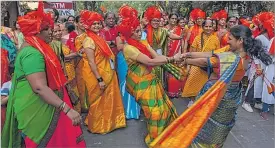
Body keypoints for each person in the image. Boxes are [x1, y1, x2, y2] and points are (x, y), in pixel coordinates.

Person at [150, 25, 272, 148]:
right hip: (230, 96)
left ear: (240, 40)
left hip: (220, 97)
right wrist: (188, 54)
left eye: (230, 39)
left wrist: (186, 60)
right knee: (218, 127)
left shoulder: (233, 58)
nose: (227, 41)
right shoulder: (237, 53)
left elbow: (207, 61)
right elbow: (210, 53)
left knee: (206, 125)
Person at [1, 3, 86, 147]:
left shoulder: (34, 48)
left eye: (50, 27)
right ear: (35, 31)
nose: (51, 31)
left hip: (45, 104)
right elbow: (39, 87)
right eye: (45, 29)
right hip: (39, 108)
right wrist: (67, 109)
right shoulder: (32, 53)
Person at [117, 14, 182, 146]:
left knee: (163, 109)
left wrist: (170, 60)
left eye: (139, 29)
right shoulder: (129, 48)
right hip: (140, 84)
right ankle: (155, 140)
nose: (140, 33)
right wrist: (172, 59)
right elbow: (149, 62)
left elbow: (155, 56)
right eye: (136, 31)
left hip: (150, 79)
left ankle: (164, 134)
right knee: (154, 113)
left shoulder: (142, 42)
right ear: (129, 34)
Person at [79, 10, 126, 134]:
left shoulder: (98, 38)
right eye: (93, 24)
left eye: (98, 23)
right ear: (88, 25)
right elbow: (91, 62)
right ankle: (98, 125)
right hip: (97, 75)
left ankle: (110, 122)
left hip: (108, 72)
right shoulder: (89, 40)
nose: (96, 26)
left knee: (108, 99)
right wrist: (99, 79)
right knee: (98, 101)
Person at [182, 19, 220, 107]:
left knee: (205, 84)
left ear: (213, 27)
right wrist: (189, 65)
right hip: (196, 63)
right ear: (203, 27)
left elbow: (217, 53)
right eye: (206, 26)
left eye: (210, 26)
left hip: (208, 64)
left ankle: (202, 101)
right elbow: (192, 52)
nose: (208, 28)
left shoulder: (216, 39)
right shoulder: (198, 38)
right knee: (193, 81)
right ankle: (192, 100)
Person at [116, 5, 141, 119]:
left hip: (135, 59)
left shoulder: (137, 33)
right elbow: (120, 47)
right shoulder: (119, 37)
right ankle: (126, 110)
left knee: (135, 82)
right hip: (123, 60)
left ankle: (135, 110)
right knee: (125, 82)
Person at [50, 24, 81, 113]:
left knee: (74, 92)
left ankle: (77, 113)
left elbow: (71, 52)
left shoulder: (65, 41)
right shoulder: (52, 45)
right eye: (55, 31)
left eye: (59, 30)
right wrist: (75, 54)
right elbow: (59, 59)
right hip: (63, 71)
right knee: (67, 93)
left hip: (71, 69)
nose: (58, 33)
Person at [165, 13, 185, 98]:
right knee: (166, 73)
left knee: (174, 72)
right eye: (172, 18)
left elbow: (182, 42)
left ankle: (174, 91)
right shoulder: (164, 29)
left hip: (176, 53)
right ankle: (166, 90)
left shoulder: (180, 30)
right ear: (168, 19)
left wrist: (181, 53)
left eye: (175, 19)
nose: (173, 20)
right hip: (165, 53)